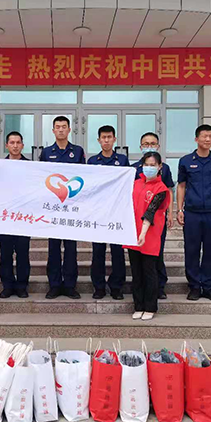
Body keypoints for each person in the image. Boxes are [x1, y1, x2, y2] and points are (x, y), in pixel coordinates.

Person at [177, 124, 211, 303]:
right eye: (204, 136)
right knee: (191, 249)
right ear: (196, 139)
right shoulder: (185, 161)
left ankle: (208, 286)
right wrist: (179, 209)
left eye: (210, 136)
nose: (207, 139)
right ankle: (194, 286)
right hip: (192, 213)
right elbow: (181, 186)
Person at [39, 116, 86, 300]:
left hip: (71, 208)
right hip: (53, 208)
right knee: (53, 248)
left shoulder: (78, 151)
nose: (60, 130)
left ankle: (70, 285)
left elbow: (84, 177)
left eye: (63, 127)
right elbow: (41, 178)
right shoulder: (46, 152)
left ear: (69, 130)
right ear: (53, 130)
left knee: (71, 249)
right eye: (57, 127)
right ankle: (54, 285)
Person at [124, 151, 170, 321]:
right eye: (146, 165)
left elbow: (151, 211)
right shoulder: (135, 183)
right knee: (136, 272)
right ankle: (138, 306)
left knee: (149, 271)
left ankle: (150, 307)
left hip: (149, 234)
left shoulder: (161, 188)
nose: (149, 168)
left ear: (159, 167)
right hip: (133, 233)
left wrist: (143, 233)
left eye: (153, 165)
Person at [87, 125, 129, 300]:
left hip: (117, 212)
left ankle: (116, 287)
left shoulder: (122, 160)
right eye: (103, 137)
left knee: (117, 252)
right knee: (98, 252)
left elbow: (127, 186)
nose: (106, 140)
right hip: (98, 213)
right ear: (99, 140)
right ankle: (99, 287)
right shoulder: (92, 161)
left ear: (114, 139)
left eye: (109, 137)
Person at [132, 132, 174, 299]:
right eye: (146, 144)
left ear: (158, 146)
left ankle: (159, 287)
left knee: (157, 252)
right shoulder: (134, 168)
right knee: (139, 257)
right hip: (137, 220)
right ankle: (142, 291)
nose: (149, 146)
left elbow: (168, 190)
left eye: (152, 143)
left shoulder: (165, 168)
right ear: (140, 146)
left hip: (156, 218)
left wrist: (171, 213)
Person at [0, 131, 31, 299]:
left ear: (22, 145)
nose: (15, 146)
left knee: (23, 253)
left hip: (24, 217)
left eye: (18, 143)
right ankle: (7, 286)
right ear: (7, 145)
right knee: (5, 254)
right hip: (6, 217)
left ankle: (22, 286)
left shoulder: (30, 166)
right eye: (12, 142)